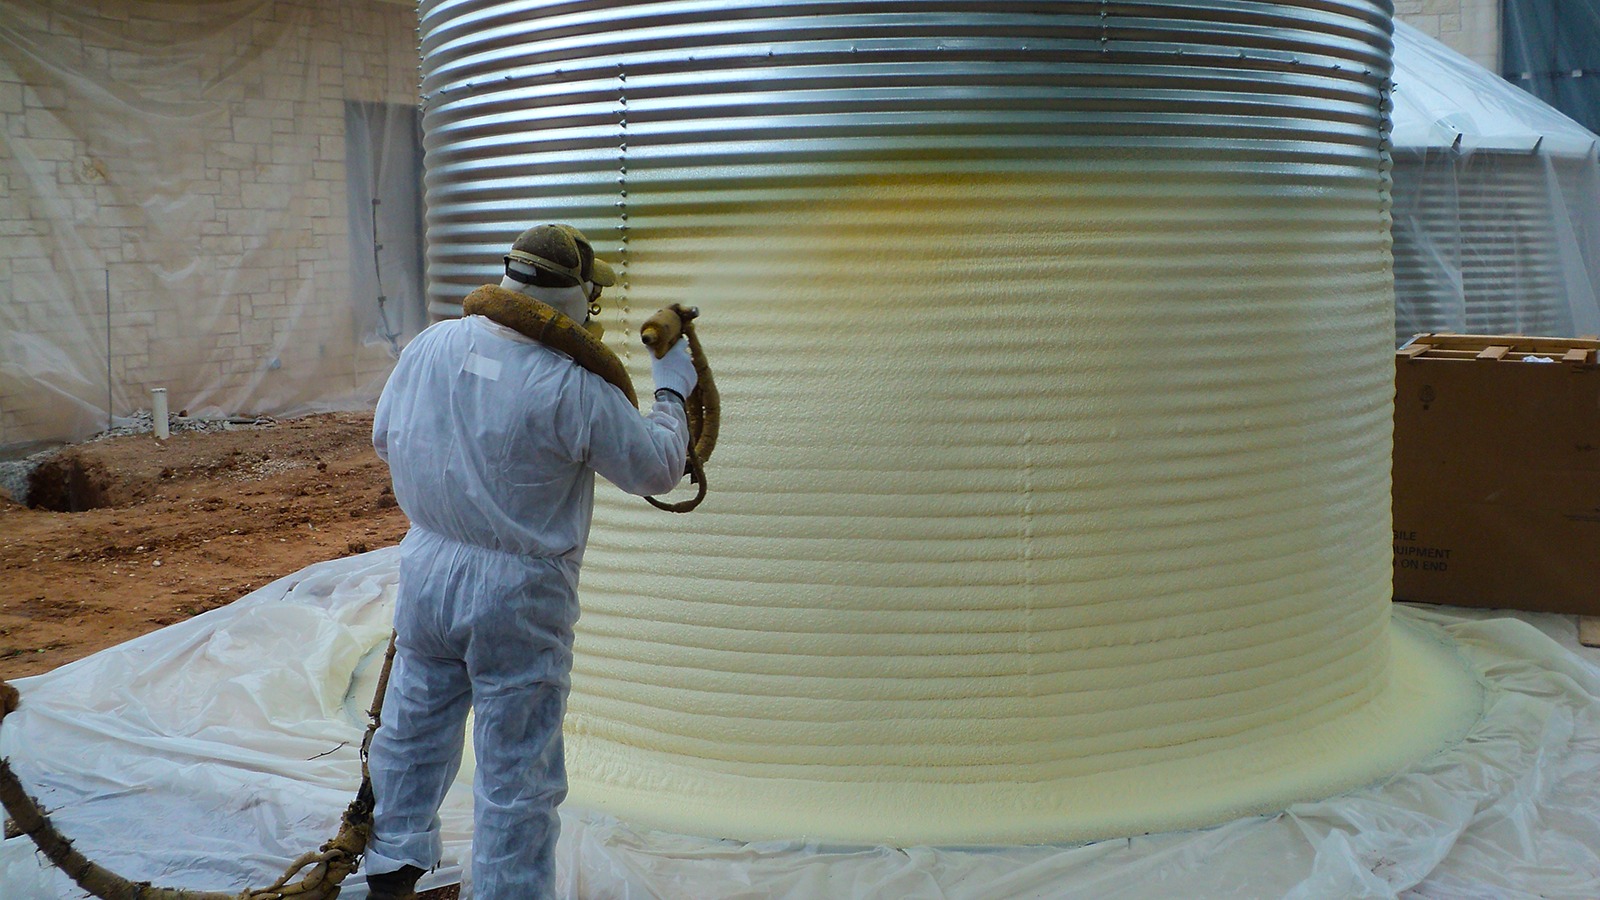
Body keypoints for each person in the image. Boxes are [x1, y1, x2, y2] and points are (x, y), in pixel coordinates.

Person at [362, 224, 697, 899]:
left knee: (413, 730)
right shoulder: (574, 386)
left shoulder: (431, 345)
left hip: (427, 569)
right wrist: (671, 390)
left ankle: (391, 869)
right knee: (518, 769)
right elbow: (658, 468)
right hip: (519, 594)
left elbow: (383, 438)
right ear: (578, 294)